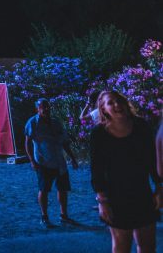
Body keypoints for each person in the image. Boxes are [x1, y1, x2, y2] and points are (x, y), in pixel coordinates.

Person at [90, 90, 160, 253]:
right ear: (103, 108)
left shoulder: (141, 126)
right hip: (116, 198)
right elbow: (97, 170)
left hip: (142, 193)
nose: (116, 105)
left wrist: (159, 188)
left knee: (148, 246)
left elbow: (153, 160)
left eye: (119, 101)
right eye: (110, 102)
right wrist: (102, 201)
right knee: (122, 247)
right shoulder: (99, 134)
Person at [24, 98, 79, 227]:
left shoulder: (55, 122)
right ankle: (44, 216)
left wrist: (72, 157)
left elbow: (64, 141)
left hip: (59, 161)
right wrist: (31, 160)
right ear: (38, 109)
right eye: (43, 107)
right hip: (43, 161)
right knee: (44, 189)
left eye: (48, 106)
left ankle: (64, 215)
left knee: (63, 189)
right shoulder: (32, 123)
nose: (47, 109)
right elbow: (27, 142)